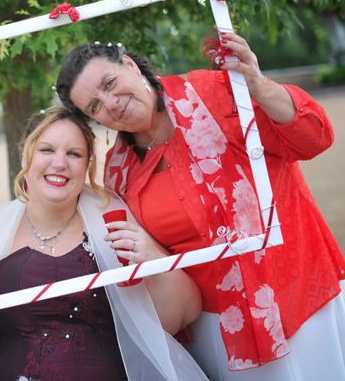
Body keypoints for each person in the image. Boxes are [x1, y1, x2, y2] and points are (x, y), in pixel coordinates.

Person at [55, 32, 345, 380]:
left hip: (291, 301)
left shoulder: (214, 93)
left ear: (130, 65)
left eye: (110, 83)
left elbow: (315, 138)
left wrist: (258, 85)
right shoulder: (118, 169)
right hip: (210, 326)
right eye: (95, 107)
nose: (111, 103)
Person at [0, 106, 207, 380]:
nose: (60, 162)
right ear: (26, 157)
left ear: (87, 166)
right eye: (47, 150)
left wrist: (153, 262)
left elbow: (180, 314)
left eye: (74, 154)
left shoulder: (111, 219)